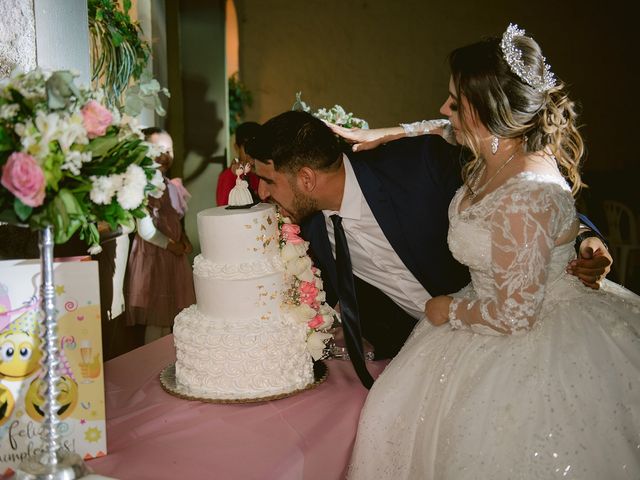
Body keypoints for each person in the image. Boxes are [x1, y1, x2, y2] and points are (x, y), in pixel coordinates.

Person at [345, 25, 640, 479]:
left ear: (489, 113)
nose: (445, 110)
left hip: (528, 331)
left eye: (456, 103)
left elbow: (516, 315)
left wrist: (447, 310)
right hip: (490, 309)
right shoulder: (497, 149)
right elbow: (442, 129)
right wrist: (391, 133)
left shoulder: (528, 189)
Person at [248, 107, 611, 384]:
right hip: (421, 356)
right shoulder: (303, 227)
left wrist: (580, 237)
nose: (261, 193)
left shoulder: (420, 167)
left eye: (268, 181)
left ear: (307, 178)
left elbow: (523, 188)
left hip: (510, 333)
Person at [125, 128, 196, 344]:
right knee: (156, 318)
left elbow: (174, 218)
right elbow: (145, 230)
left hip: (171, 257)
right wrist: (170, 245)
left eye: (169, 149)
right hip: (153, 259)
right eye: (159, 149)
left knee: (169, 319)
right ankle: (151, 362)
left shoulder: (170, 185)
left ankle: (165, 361)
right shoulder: (142, 186)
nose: (165, 155)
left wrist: (183, 237)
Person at [216, 121, 261, 206]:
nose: (252, 152)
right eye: (247, 148)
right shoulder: (228, 176)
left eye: (256, 147)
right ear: (237, 148)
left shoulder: (260, 172)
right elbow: (224, 209)